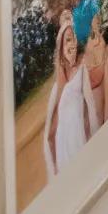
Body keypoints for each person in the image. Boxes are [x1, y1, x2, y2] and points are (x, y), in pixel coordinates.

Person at [43, 11, 99, 178]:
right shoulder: (56, 89)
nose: (73, 44)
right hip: (63, 153)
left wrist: (96, 143)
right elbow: (48, 135)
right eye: (68, 40)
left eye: (73, 39)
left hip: (79, 145)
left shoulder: (81, 71)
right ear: (60, 48)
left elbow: (91, 108)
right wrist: (54, 172)